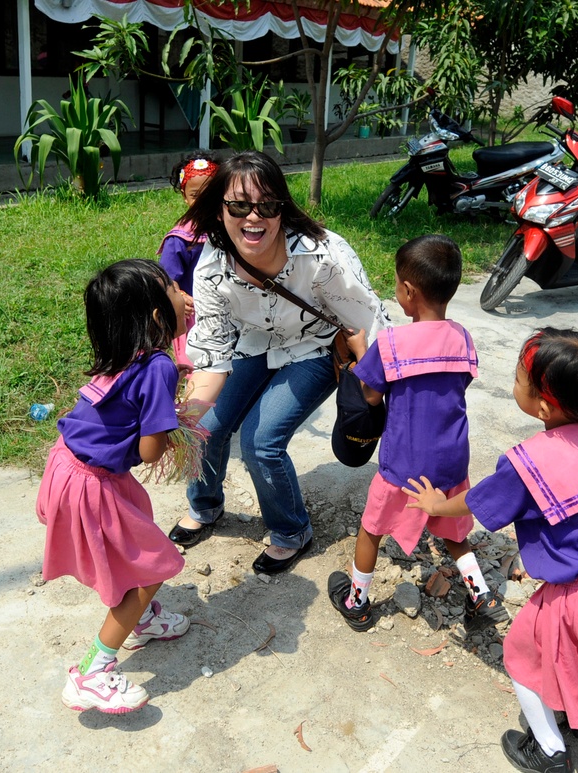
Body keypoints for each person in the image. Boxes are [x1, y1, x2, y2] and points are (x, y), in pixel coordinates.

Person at [404, 329, 578, 773]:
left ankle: (550, 750)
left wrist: (437, 504)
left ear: (543, 406)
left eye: (518, 379)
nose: (513, 384)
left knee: (521, 657)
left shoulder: (530, 463)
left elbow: (480, 501)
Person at [166, 150, 389, 575]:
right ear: (219, 208)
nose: (254, 217)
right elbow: (211, 353)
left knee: (260, 442)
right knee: (206, 428)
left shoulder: (322, 255)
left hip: (315, 347)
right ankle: (206, 505)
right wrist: (182, 420)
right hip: (252, 344)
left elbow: (368, 323)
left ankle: (291, 531)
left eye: (267, 206)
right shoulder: (212, 266)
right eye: (238, 205)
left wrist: (376, 395)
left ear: (282, 208)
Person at [327, 234, 507, 634]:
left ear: (408, 291)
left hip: (404, 463)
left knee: (371, 529)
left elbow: (371, 395)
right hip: (451, 459)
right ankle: (482, 594)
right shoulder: (462, 337)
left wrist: (360, 351)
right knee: (454, 533)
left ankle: (356, 601)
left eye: (395, 284)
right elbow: (460, 384)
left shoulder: (391, 342)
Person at [36, 259, 192, 714]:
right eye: (176, 289)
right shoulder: (159, 366)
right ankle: (92, 671)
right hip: (92, 483)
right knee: (151, 567)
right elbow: (149, 452)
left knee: (136, 541)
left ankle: (140, 622)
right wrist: (176, 423)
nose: (187, 295)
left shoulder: (124, 352)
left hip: (69, 465)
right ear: (158, 318)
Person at [157, 152, 220, 370]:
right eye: (195, 195)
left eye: (210, 193)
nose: (203, 200)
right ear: (185, 196)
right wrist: (181, 298)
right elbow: (167, 278)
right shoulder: (180, 238)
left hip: (226, 307)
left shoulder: (231, 229)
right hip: (193, 315)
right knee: (195, 364)